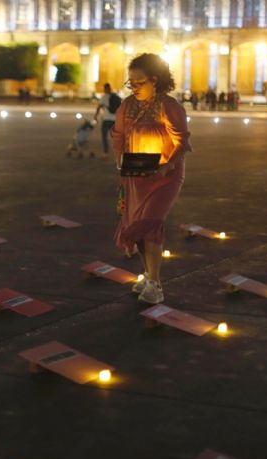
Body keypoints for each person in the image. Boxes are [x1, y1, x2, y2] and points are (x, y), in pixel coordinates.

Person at [111, 53, 191, 304]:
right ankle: (148, 275)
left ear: (155, 80)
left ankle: (155, 285)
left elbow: (182, 141)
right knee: (138, 228)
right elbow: (118, 135)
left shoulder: (168, 105)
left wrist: (168, 165)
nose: (134, 87)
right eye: (131, 83)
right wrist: (120, 161)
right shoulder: (127, 106)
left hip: (165, 176)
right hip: (136, 175)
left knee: (151, 222)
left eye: (140, 82)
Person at [94, 83, 120, 159]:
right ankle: (118, 154)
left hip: (106, 120)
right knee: (115, 138)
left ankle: (106, 153)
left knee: (104, 137)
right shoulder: (115, 97)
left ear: (105, 89)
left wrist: (95, 116)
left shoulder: (104, 97)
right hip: (115, 120)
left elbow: (99, 107)